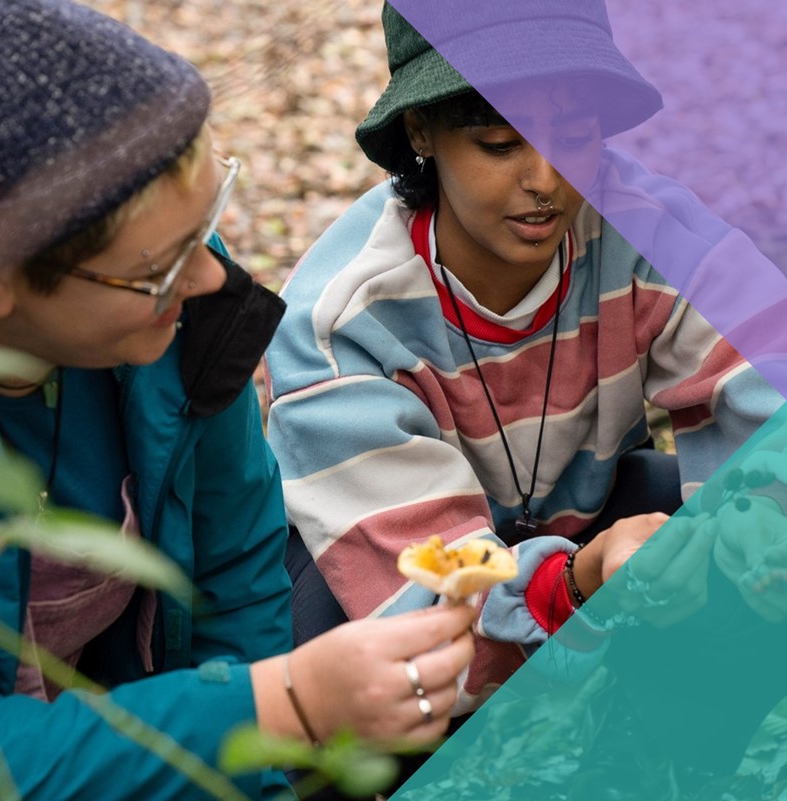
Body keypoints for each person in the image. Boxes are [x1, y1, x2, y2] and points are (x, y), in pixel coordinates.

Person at [0, 2, 477, 799]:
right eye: (159, 264)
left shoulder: (188, 323)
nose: (213, 279)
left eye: (207, 226)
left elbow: (237, 573)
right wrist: (288, 704)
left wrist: (260, 770)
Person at [265, 0, 784, 713]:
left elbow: (768, 375)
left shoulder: (644, 230)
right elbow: (420, 588)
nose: (545, 179)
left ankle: (645, 761)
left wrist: (750, 530)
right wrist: (574, 583)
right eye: (499, 143)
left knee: (732, 519)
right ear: (420, 130)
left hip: (581, 518)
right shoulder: (340, 324)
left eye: (573, 134)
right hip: (397, 555)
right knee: (328, 631)